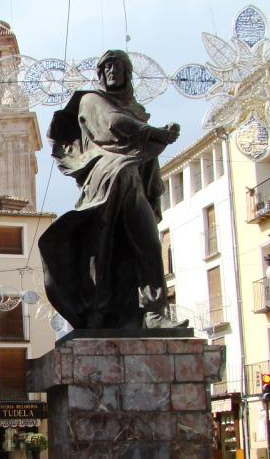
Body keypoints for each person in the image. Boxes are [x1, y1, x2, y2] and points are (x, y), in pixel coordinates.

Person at [39, 49, 186, 331]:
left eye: (117, 66)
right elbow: (112, 124)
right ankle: (100, 310)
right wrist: (154, 133)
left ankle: (154, 312)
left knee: (149, 243)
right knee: (102, 247)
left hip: (131, 180)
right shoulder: (92, 100)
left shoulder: (136, 110)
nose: (111, 72)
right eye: (106, 67)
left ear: (127, 73)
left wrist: (154, 135)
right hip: (105, 177)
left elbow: (141, 150)